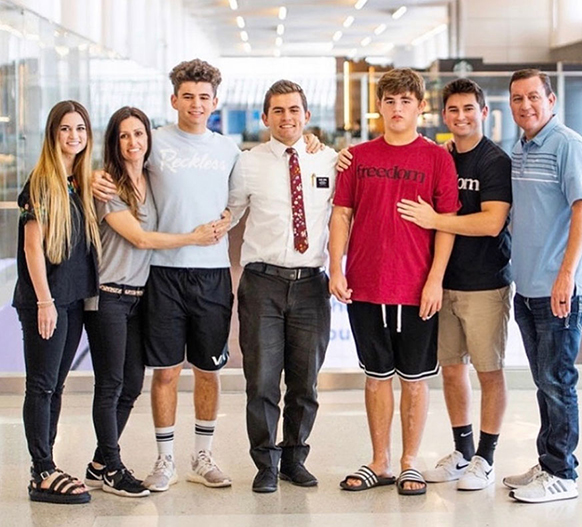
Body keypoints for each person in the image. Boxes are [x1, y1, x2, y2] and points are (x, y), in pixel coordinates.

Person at [93, 59, 237, 491]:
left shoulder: (229, 149)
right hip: (163, 275)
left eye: (204, 97)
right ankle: (165, 459)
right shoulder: (152, 142)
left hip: (212, 275)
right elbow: (122, 162)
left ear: (215, 101)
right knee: (167, 371)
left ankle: (203, 456)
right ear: (174, 99)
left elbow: (240, 200)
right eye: (187, 96)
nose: (196, 104)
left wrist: (229, 217)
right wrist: (97, 177)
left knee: (208, 371)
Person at [329, 68, 460, 495]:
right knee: (376, 376)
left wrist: (435, 280)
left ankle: (409, 462)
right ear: (379, 106)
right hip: (365, 284)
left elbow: (447, 223)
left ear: (421, 108)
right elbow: (341, 214)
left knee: (415, 378)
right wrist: (335, 266)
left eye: (406, 101)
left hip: (417, 286)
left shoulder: (438, 158)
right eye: (389, 101)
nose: (397, 109)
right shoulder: (358, 157)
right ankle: (380, 460)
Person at [396, 78, 512, 491]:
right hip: (443, 283)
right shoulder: (440, 156)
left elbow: (491, 221)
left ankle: (486, 456)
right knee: (450, 370)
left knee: (489, 371)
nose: (461, 117)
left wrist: (436, 220)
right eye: (453, 110)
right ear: (442, 115)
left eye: (468, 109)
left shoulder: (494, 161)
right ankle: (462, 451)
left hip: (485, 285)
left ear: (483, 111)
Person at [228, 80, 337, 493]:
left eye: (294, 110)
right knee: (261, 381)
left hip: (311, 285)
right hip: (262, 284)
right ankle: (265, 464)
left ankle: (294, 457)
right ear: (265, 117)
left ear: (307, 116)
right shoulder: (248, 162)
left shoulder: (328, 159)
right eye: (278, 110)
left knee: (305, 381)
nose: (287, 117)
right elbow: (232, 212)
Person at [502, 69, 582, 503]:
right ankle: (548, 460)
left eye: (534, 97)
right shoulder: (520, 147)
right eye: (517, 99)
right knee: (544, 380)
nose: (526, 106)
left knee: (558, 380)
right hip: (529, 286)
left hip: (560, 289)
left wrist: (566, 276)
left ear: (551, 100)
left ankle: (563, 474)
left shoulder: (568, 145)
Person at [12, 100, 101, 504]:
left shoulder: (76, 181)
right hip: (46, 302)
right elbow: (33, 249)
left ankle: (45, 464)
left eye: (80, 129)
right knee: (42, 386)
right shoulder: (43, 182)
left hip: (70, 300)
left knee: (56, 385)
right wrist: (45, 301)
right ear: (53, 134)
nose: (73, 137)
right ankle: (42, 469)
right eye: (66, 129)